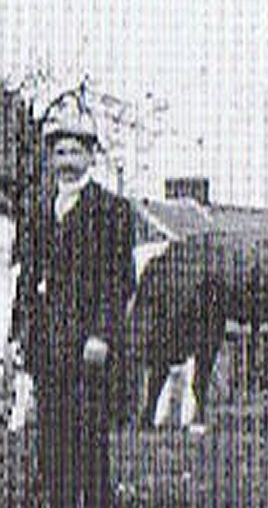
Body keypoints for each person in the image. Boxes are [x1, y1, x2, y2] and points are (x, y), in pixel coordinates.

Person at [30, 91, 136, 507]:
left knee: (90, 449)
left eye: (75, 151)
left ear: (91, 158)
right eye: (60, 152)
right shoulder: (38, 209)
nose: (67, 160)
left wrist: (102, 334)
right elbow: (28, 282)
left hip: (90, 350)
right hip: (47, 347)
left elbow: (119, 280)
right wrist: (24, 338)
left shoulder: (111, 210)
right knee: (52, 451)